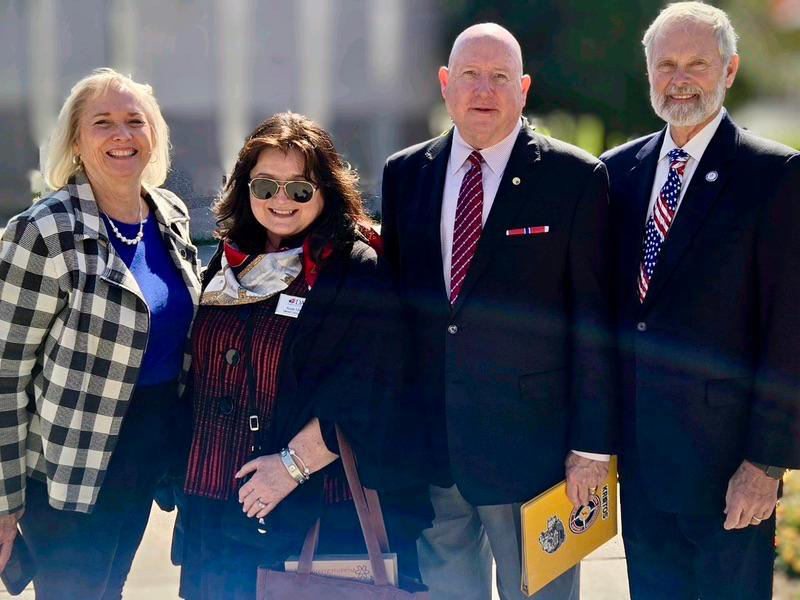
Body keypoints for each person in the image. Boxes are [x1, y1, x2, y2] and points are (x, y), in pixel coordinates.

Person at [381, 23, 617, 600]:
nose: (483, 90)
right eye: (469, 75)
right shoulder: (404, 173)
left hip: (534, 459)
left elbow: (595, 324)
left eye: (499, 77)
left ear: (524, 88)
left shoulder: (575, 178)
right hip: (435, 453)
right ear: (445, 83)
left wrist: (591, 451)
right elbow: (400, 314)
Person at [177, 112, 427, 599]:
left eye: (299, 189)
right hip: (214, 507)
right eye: (265, 186)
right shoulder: (231, 258)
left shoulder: (356, 268)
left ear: (326, 191)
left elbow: (371, 386)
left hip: (312, 511)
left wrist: (289, 467)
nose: (280, 201)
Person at [600, 3, 800, 598]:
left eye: (697, 63)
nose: (679, 77)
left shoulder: (775, 175)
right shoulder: (618, 171)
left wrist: (766, 466)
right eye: (666, 64)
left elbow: (790, 331)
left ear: (730, 70)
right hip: (641, 468)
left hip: (729, 471)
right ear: (649, 73)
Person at [0, 68, 200, 599]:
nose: (121, 135)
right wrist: (3, 504)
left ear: (153, 135)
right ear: (75, 141)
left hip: (147, 455)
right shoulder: (41, 231)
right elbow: (4, 375)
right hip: (70, 470)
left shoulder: (170, 216)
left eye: (135, 121)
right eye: (102, 123)